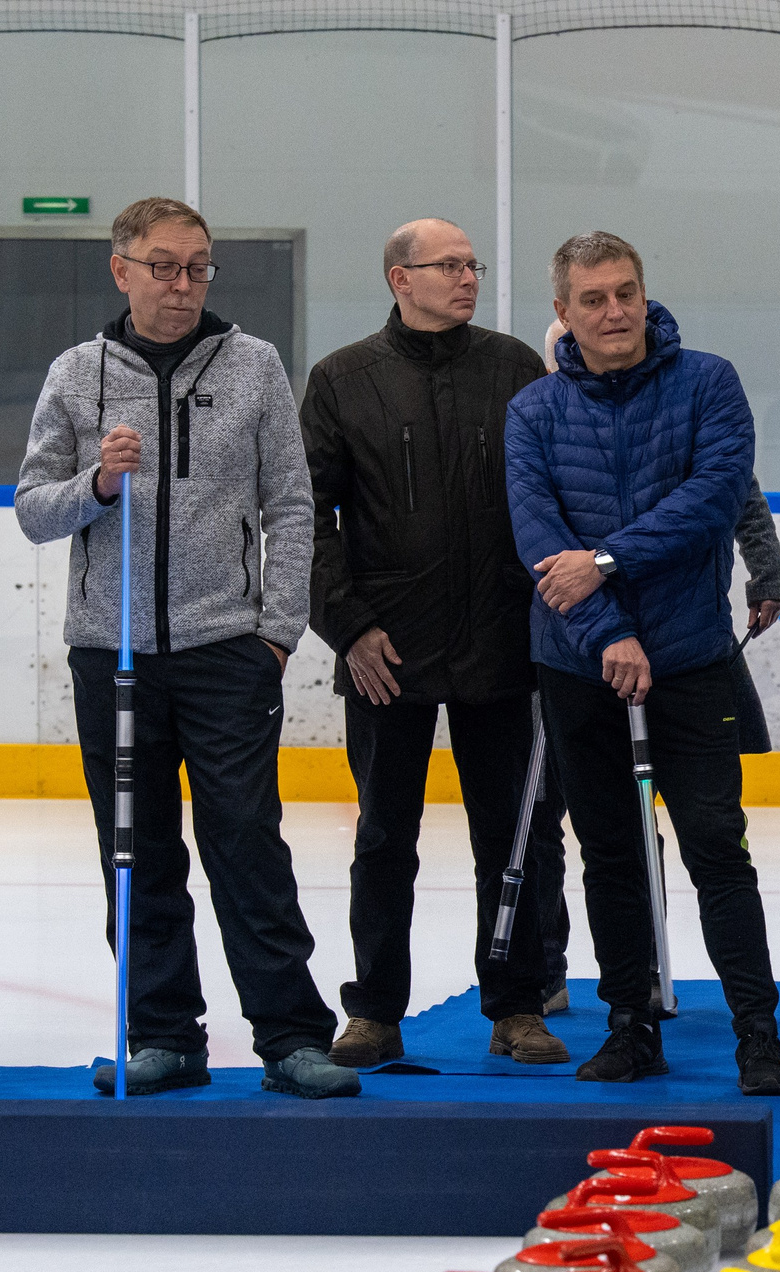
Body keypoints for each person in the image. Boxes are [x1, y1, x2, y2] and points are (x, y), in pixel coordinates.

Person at [16, 196, 352, 1099]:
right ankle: (164, 1033)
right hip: (112, 655)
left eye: (198, 266)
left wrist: (275, 633)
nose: (182, 283)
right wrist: (96, 481)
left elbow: (292, 503)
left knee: (248, 842)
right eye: (163, 265)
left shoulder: (254, 367)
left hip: (226, 653)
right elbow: (32, 508)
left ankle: (289, 1035)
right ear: (120, 268)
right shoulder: (77, 374)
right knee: (137, 850)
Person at [506, 231, 780, 1096]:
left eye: (626, 292)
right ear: (563, 312)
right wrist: (606, 629)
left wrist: (605, 562)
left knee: (716, 845)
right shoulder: (534, 411)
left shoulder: (708, 381)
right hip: (579, 664)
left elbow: (711, 500)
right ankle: (631, 1023)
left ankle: (758, 1034)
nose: (615, 311)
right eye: (592, 299)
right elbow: (538, 537)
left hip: (690, 657)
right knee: (612, 854)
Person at [300, 218, 567, 1071]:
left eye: (472, 264)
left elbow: (549, 493)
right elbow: (308, 518)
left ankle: (518, 1004)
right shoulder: (342, 379)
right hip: (387, 652)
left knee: (513, 835)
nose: (467, 277)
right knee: (384, 837)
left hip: (504, 644)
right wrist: (346, 626)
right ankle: (375, 1010)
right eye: (448, 265)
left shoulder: (516, 367)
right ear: (398, 278)